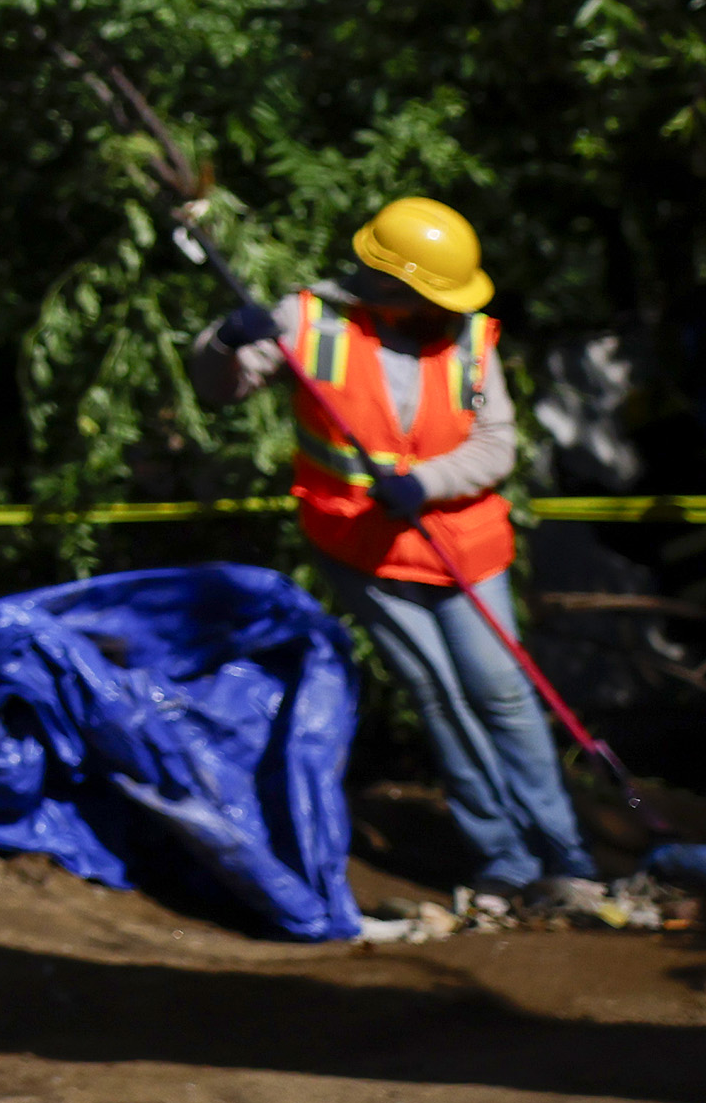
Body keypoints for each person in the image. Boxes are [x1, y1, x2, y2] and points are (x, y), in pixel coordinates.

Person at [189, 193, 601, 908]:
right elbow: (218, 387)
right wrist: (223, 343)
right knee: (438, 696)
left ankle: (563, 851)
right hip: (364, 550)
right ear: (394, 283)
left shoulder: (471, 339)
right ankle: (501, 857)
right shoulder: (307, 322)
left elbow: (496, 442)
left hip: (462, 547)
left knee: (502, 692)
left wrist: (428, 482)